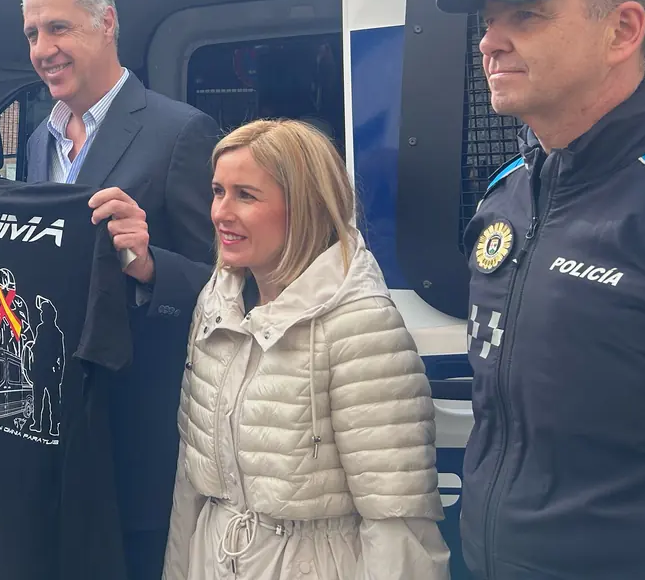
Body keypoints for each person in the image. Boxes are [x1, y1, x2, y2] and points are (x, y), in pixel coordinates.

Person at [436, 0, 645, 579]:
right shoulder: (505, 196)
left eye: (526, 16)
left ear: (623, 31)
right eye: (489, 21)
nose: (489, 43)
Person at [0, 0, 219, 580]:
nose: (43, 49)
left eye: (59, 28)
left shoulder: (181, 131)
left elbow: (226, 283)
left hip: (128, 435)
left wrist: (150, 264)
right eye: (32, 33)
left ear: (107, 24)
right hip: (42, 437)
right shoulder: (38, 141)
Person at [162, 118, 449, 580]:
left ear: (305, 207)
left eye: (245, 195)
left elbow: (397, 520)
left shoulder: (360, 324)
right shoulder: (215, 304)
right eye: (218, 191)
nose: (220, 213)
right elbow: (189, 485)